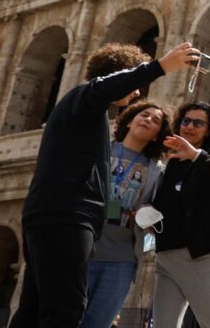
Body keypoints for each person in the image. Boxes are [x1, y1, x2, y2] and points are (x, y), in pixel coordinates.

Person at [10, 41, 202, 328]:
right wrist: (160, 66)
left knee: (34, 308)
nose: (136, 93)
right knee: (66, 309)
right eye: (133, 84)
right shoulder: (86, 98)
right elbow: (105, 87)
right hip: (68, 214)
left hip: (52, 213)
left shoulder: (85, 110)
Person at [79, 100, 173, 328]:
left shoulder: (157, 171)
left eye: (156, 121)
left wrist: (147, 221)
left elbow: (156, 225)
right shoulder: (99, 151)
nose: (148, 120)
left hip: (122, 259)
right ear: (130, 121)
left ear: (157, 135)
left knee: (98, 323)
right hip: (82, 248)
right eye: (144, 114)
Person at [150, 102, 210, 327]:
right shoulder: (173, 163)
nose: (190, 127)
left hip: (201, 254)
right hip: (167, 255)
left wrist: (194, 154)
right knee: (163, 324)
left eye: (198, 123)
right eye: (186, 121)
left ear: (209, 130)